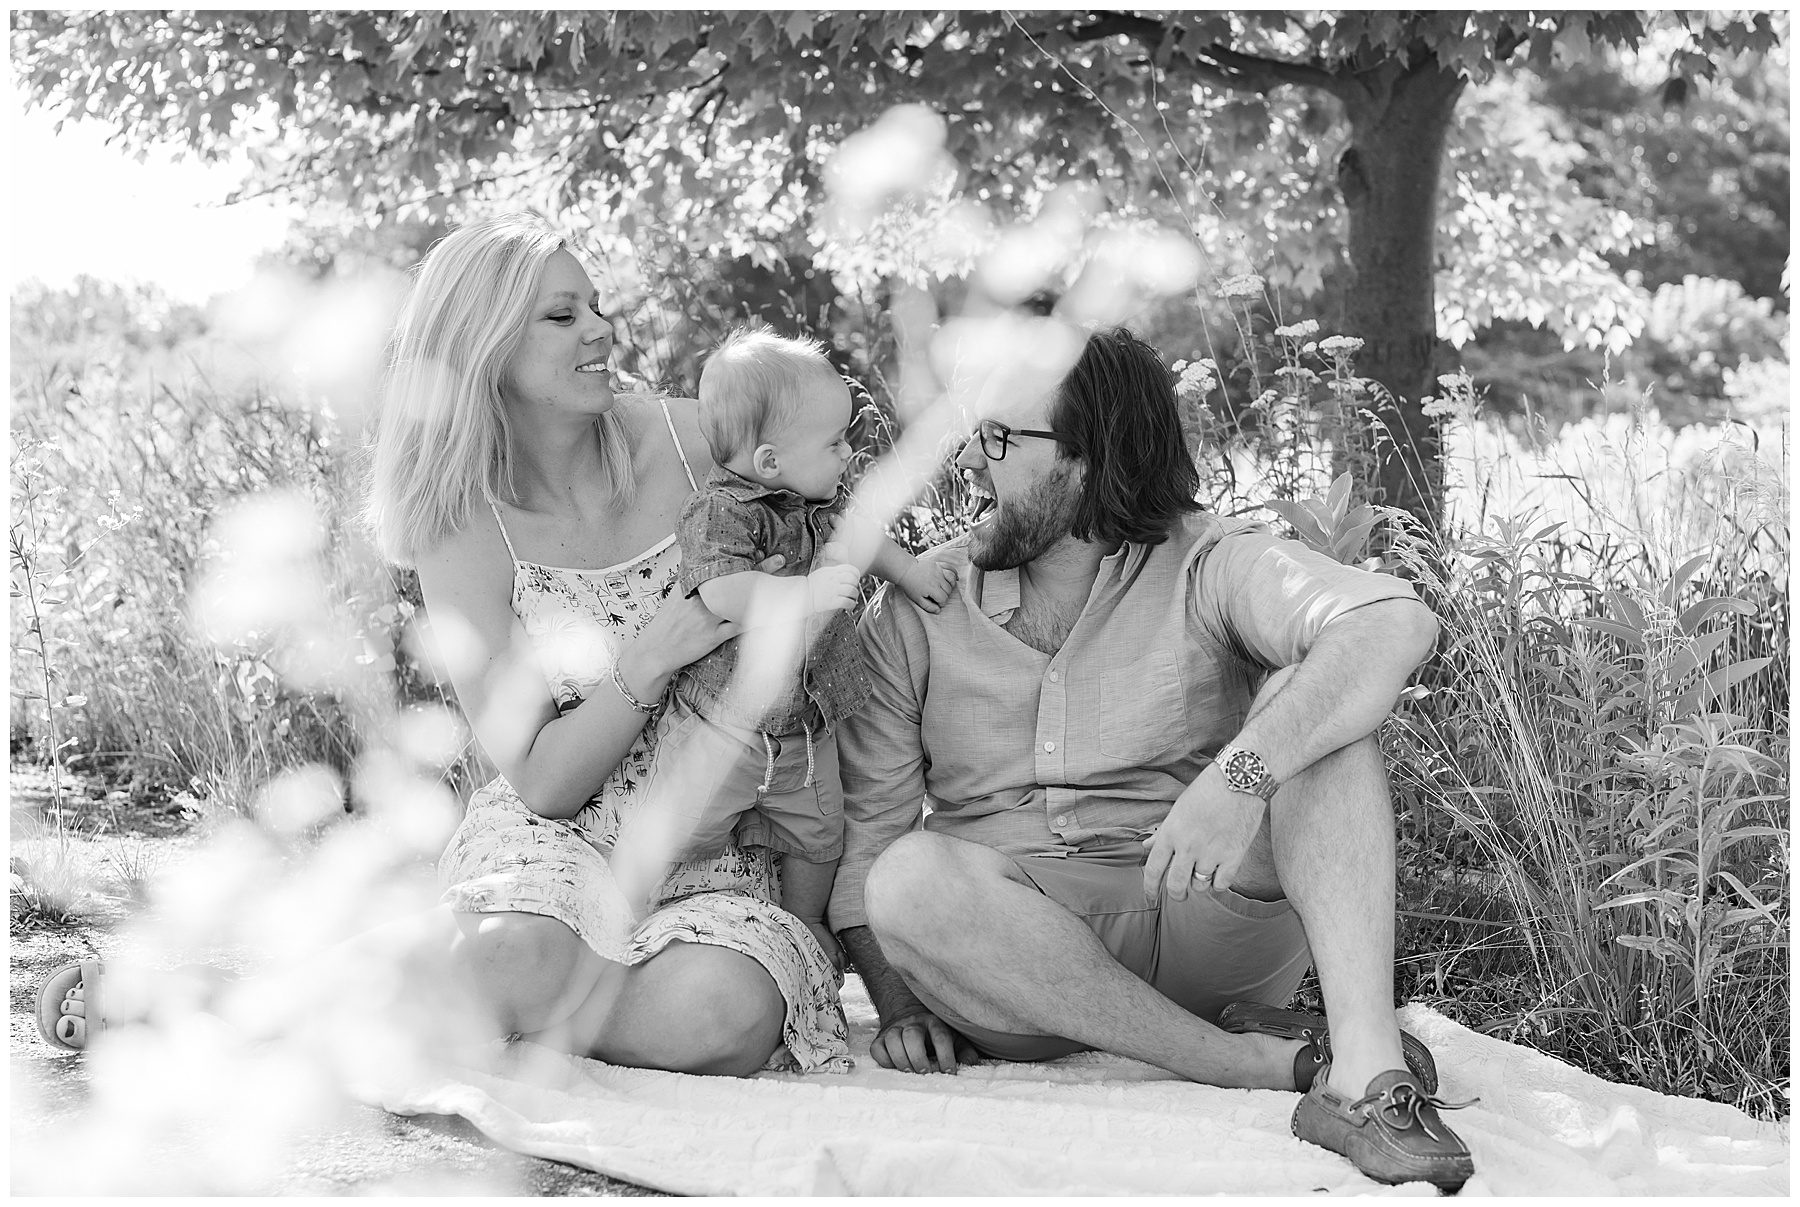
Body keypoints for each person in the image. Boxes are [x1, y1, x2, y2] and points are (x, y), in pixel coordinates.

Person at [829, 325, 1477, 1189]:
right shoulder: (920, 607)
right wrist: (904, 1001)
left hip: (1206, 915)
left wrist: (1241, 773)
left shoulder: (1210, 563)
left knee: (1316, 715)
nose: (971, 463)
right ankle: (1243, 1062)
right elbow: (869, 837)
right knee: (905, 877)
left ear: (1089, 459)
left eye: (998, 438)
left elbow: (1394, 620)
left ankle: (1366, 1072)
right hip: (1019, 969)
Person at [619, 328, 956, 967]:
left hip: (808, 727)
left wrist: (910, 573)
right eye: (834, 443)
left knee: (821, 837)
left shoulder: (816, 504)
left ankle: (802, 928)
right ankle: (631, 915)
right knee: (682, 829)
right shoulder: (721, 513)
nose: (847, 454)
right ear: (770, 460)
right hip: (727, 728)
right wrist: (805, 593)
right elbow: (721, 592)